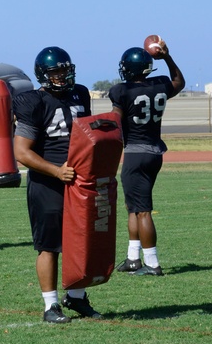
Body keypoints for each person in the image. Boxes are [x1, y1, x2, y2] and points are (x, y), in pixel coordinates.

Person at [13, 46, 100, 323]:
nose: (61, 76)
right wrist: (55, 171)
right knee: (49, 245)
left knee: (82, 242)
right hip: (47, 182)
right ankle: (50, 305)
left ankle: (76, 298)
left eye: (64, 70)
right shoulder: (32, 101)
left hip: (79, 180)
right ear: (43, 74)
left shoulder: (81, 93)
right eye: (55, 72)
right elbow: (22, 152)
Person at [109, 45, 185, 276]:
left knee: (142, 210)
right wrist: (168, 57)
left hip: (135, 153)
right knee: (133, 207)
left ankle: (152, 263)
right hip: (155, 152)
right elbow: (179, 82)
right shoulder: (159, 84)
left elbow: (115, 124)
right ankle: (133, 258)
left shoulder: (121, 91)